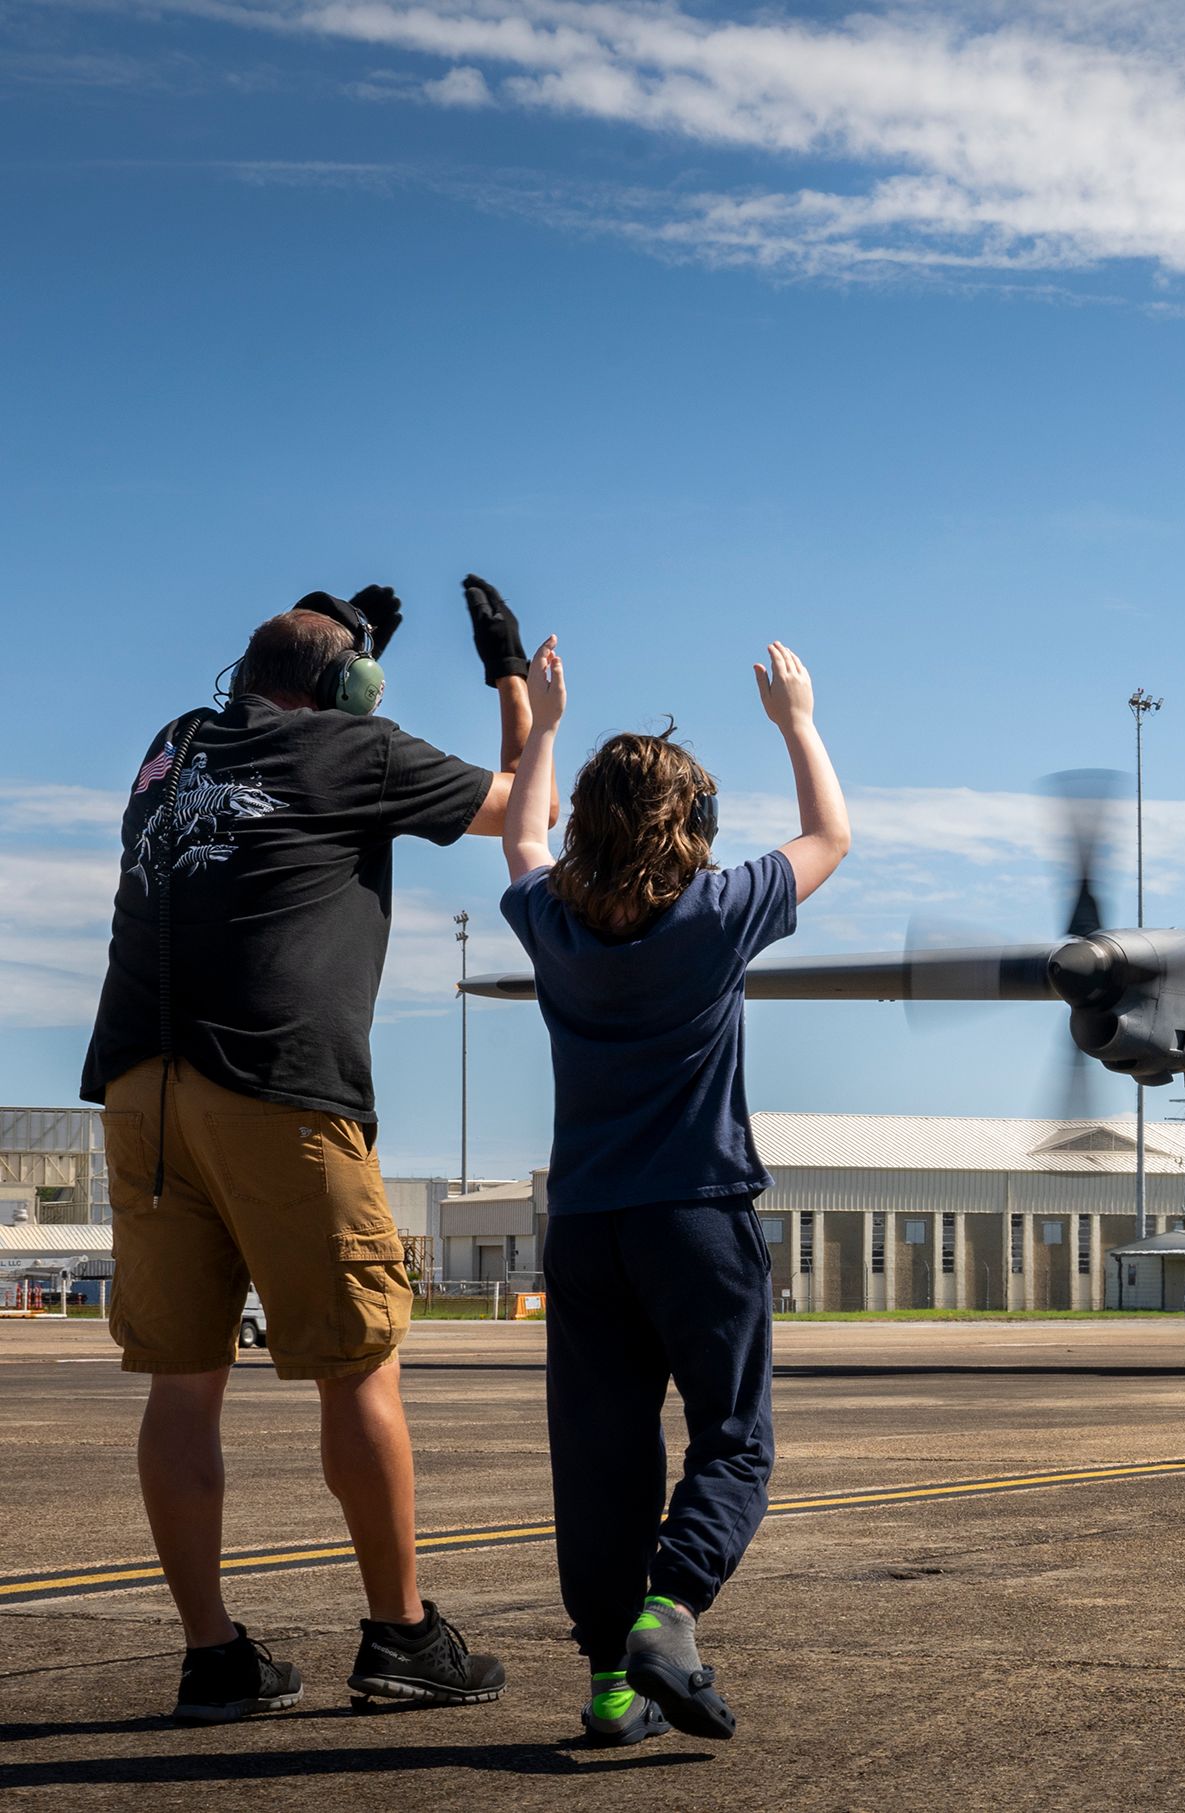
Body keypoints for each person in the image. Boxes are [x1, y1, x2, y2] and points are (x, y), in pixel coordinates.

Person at [84, 577, 550, 1722]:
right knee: (360, 1365)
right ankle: (401, 1636)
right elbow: (525, 814)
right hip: (275, 1085)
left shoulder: (171, 745)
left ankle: (215, 1658)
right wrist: (513, 686)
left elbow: (278, 728)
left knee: (184, 1386)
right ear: (349, 691)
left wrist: (343, 652)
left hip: (140, 1088)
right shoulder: (360, 750)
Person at [496, 634, 849, 1746]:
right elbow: (831, 835)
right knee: (733, 1438)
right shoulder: (716, 912)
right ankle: (670, 1608)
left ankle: (611, 1691)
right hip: (696, 1215)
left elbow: (518, 834)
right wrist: (797, 718)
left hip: (586, 1227)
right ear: (688, 830)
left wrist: (545, 725)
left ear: (590, 821)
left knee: (602, 1459)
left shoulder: (550, 920)